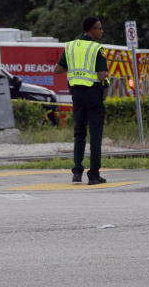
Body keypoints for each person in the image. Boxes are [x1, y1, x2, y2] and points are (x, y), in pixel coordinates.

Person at [54, 17, 109, 186]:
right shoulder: (97, 48)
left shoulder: (70, 46)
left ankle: (77, 172)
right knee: (95, 135)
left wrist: (75, 68)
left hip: (76, 94)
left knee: (79, 133)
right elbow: (101, 75)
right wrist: (105, 82)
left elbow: (58, 69)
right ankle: (94, 175)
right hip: (93, 94)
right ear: (91, 30)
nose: (102, 31)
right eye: (99, 28)